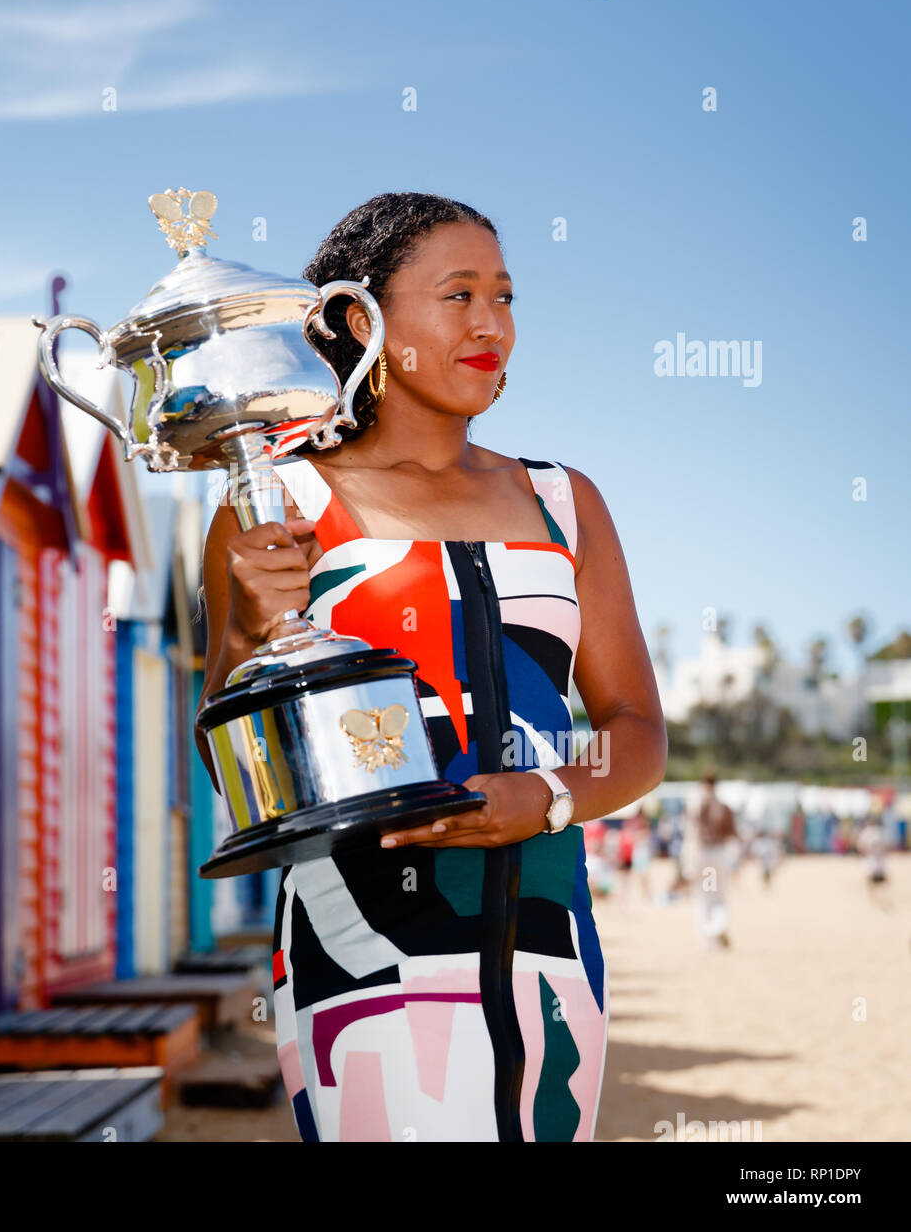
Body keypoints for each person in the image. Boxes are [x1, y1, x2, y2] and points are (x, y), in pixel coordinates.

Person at [198, 192, 668, 1143]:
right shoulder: (279, 500)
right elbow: (232, 763)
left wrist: (547, 799)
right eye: (458, 295)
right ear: (360, 320)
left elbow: (638, 732)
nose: (492, 323)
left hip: (551, 949)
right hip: (359, 953)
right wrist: (251, 630)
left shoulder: (564, 503)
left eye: (505, 296)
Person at [693, 773, 737, 948]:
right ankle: (717, 928)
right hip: (720, 853)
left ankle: (711, 932)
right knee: (718, 895)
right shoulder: (724, 806)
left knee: (706, 896)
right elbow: (732, 833)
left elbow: (693, 832)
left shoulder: (700, 805)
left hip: (706, 853)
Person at [856, 812, 889, 905]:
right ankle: (880, 897)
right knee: (880, 881)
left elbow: (861, 847)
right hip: (879, 860)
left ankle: (873, 898)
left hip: (871, 860)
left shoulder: (866, 832)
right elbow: (886, 847)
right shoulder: (880, 832)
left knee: (871, 880)